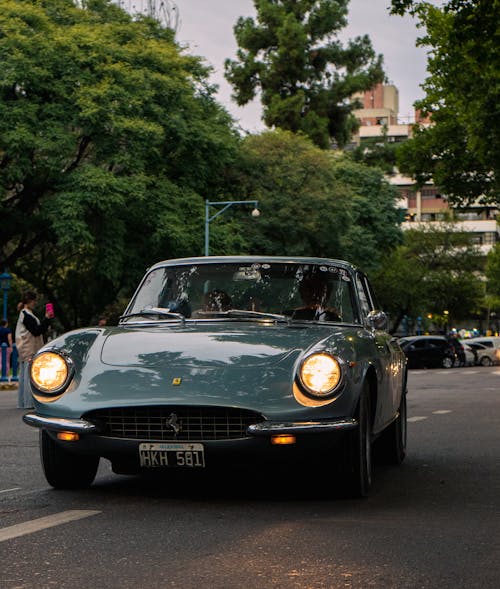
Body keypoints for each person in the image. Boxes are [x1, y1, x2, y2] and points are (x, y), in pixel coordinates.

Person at [15, 291, 54, 408]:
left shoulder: (25, 314)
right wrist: (47, 319)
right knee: (28, 376)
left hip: (24, 349)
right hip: (29, 349)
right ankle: (28, 402)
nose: (35, 303)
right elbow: (36, 331)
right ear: (30, 301)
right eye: (34, 301)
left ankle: (23, 402)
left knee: (23, 377)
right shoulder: (27, 315)